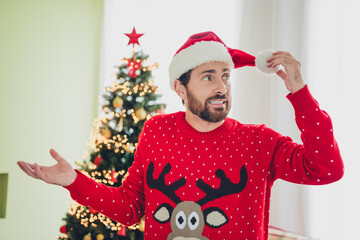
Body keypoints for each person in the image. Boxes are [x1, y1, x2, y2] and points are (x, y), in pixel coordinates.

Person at [17, 31, 344, 240]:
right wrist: (75, 180)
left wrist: (300, 93)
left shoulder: (258, 141)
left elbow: (326, 168)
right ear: (180, 88)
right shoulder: (156, 132)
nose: (221, 87)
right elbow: (130, 208)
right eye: (208, 77)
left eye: (226, 76)